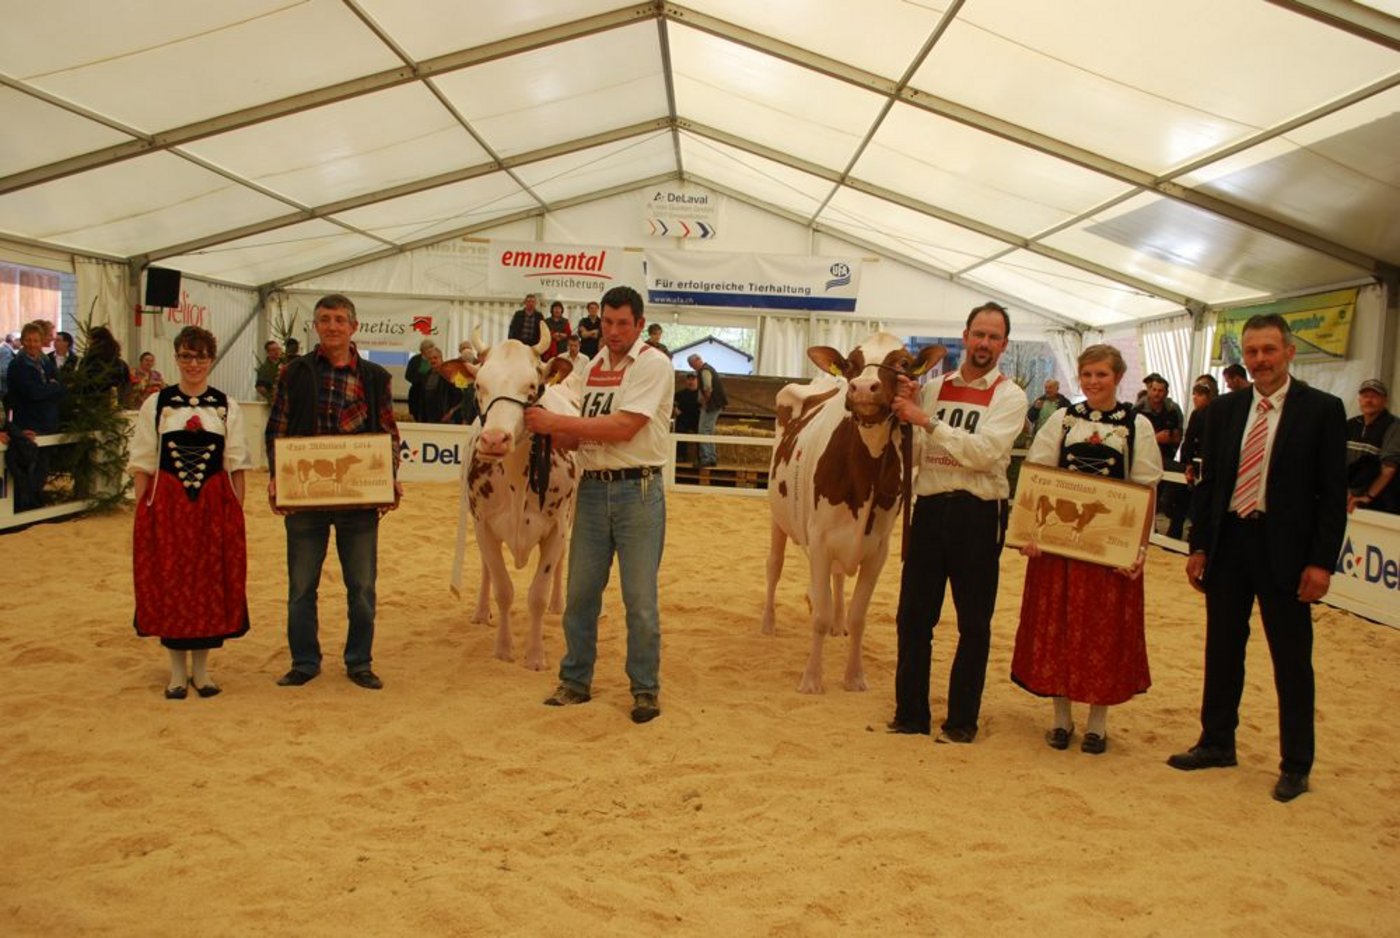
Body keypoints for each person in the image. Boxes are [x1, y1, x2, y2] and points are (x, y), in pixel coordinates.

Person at [1170, 314, 1347, 803]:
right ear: (1242, 357)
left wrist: (1321, 563)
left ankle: (1296, 763)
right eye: (1252, 351)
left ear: (1289, 352)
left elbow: (1333, 496)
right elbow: (1210, 485)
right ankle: (1216, 742)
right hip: (1229, 545)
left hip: (1287, 553)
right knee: (1222, 649)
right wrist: (1199, 545)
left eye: (1269, 350)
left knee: (1291, 660)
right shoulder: (1225, 411)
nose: (1260, 360)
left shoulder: (1323, 410)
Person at [523, 285, 672, 724]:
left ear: (640, 325)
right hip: (590, 487)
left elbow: (625, 426)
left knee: (639, 599)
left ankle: (645, 688)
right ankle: (574, 680)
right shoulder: (591, 369)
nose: (613, 331)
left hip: (638, 491)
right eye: (607, 322)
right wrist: (539, 426)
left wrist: (558, 422)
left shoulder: (653, 364)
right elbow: (576, 434)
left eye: (622, 323)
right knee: (580, 594)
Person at [1010, 344, 1163, 754]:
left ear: (1117, 377)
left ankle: (1097, 723)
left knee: (1103, 634)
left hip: (1109, 549)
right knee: (1059, 628)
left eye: (1102, 375)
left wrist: (1139, 549)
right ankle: (1061, 719)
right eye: (1088, 375)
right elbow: (1039, 476)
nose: (1094, 382)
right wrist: (1032, 534)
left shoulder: (1137, 425)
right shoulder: (1062, 420)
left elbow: (1145, 489)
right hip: (1060, 546)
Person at [888, 301, 1028, 743]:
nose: (984, 343)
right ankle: (911, 715)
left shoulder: (1011, 395)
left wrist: (927, 422)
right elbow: (915, 451)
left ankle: (962, 721)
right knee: (913, 618)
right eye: (978, 334)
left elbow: (985, 454)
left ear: (1003, 344)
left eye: (994, 337)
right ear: (965, 336)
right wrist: (906, 413)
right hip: (929, 509)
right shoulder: (934, 387)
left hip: (978, 515)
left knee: (973, 623)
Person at [265, 293, 402, 691]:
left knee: (361, 587)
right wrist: (277, 475)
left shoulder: (376, 377)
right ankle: (304, 661)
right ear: (316, 325)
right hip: (306, 497)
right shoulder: (295, 372)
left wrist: (390, 474)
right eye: (325, 319)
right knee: (301, 586)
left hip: (358, 499)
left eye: (340, 320)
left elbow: (389, 433)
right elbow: (278, 428)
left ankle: (359, 661)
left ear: (354, 327)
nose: (332, 327)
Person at [129, 326, 250, 699]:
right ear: (177, 358)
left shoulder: (226, 405)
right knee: (172, 579)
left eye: (200, 357)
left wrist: (235, 510)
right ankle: (177, 673)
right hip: (168, 505)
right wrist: (144, 510)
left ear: (211, 360)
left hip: (213, 506)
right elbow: (143, 462)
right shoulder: (157, 405)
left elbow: (237, 463)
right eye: (185, 356)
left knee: (208, 582)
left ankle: (202, 670)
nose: (192, 364)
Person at [5, 322, 66, 511]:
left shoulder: (46, 362)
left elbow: (60, 388)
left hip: (48, 421)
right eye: (28, 340)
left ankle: (35, 502)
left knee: (43, 465)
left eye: (36, 340)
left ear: (41, 342)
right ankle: (25, 506)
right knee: (28, 464)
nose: (32, 344)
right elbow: (33, 393)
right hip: (28, 422)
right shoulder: (18, 365)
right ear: (22, 341)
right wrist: (52, 387)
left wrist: (50, 389)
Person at [1167, 380, 1217, 538]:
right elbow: (1188, 441)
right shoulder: (1196, 414)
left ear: (1209, 396)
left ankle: (1196, 535)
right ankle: (1174, 532)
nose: (1196, 398)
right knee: (1181, 501)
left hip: (1208, 465)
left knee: (1200, 504)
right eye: (1194, 394)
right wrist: (1187, 463)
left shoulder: (1217, 414)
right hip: (1191, 463)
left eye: (1200, 394)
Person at [1346, 379, 1399, 514]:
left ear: (1385, 400)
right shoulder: (1350, 424)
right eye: (1365, 396)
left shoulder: (1394, 426)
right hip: (1349, 499)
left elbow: (1388, 470)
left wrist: (1367, 496)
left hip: (1378, 504)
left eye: (1374, 396)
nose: (1368, 400)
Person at [686, 353, 727, 468]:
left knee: (703, 430)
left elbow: (708, 388)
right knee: (708, 430)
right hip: (715, 404)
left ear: (697, 361)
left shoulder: (704, 371)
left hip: (711, 405)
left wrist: (705, 401)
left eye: (692, 364)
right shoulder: (707, 369)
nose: (692, 367)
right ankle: (711, 457)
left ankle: (706, 458)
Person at [417, 345, 464, 424]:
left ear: (441, 358)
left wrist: (452, 413)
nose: (433, 361)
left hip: (448, 419)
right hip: (429, 419)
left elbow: (464, 396)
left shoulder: (454, 373)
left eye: (435, 358)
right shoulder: (426, 376)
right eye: (430, 359)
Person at [405, 338, 436, 422]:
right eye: (428, 351)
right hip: (416, 392)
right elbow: (408, 375)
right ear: (422, 351)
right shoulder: (414, 360)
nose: (431, 353)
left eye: (432, 350)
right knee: (415, 415)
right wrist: (421, 379)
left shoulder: (435, 360)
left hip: (431, 393)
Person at [673, 372, 701, 465]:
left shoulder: (700, 394)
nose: (691, 381)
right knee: (679, 431)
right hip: (683, 419)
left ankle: (700, 457)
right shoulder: (680, 393)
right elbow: (672, 401)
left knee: (701, 434)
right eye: (689, 379)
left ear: (697, 380)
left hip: (697, 419)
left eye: (693, 379)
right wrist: (675, 408)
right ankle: (680, 456)